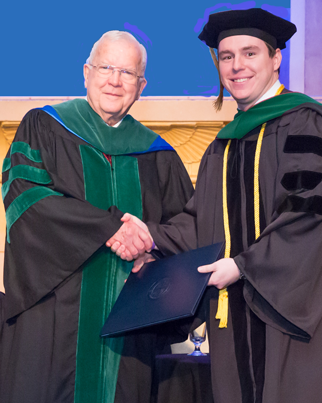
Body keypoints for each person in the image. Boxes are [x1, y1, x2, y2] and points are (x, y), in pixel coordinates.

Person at [107, 8, 322, 403]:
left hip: (292, 321)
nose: (237, 66)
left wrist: (243, 266)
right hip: (234, 318)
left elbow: (310, 216)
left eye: (250, 53)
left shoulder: (307, 124)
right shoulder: (224, 145)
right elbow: (200, 221)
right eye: (226, 56)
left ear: (275, 59)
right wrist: (151, 237)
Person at [0, 31, 194, 403]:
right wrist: (110, 229)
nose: (115, 80)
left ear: (141, 86)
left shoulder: (159, 155)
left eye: (127, 72)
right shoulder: (44, 128)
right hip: (55, 316)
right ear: (86, 72)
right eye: (106, 67)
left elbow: (186, 225)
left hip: (129, 327)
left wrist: (150, 243)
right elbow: (28, 197)